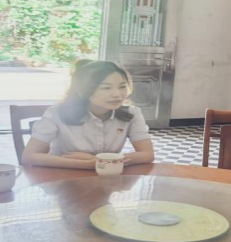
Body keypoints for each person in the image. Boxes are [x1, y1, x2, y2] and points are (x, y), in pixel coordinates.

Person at [21, 60, 155, 169]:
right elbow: (29, 156)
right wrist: (86, 164)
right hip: (61, 178)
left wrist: (99, 160)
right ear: (83, 90)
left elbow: (147, 154)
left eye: (122, 87)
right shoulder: (56, 113)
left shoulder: (131, 113)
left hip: (107, 178)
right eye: (106, 88)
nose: (117, 94)